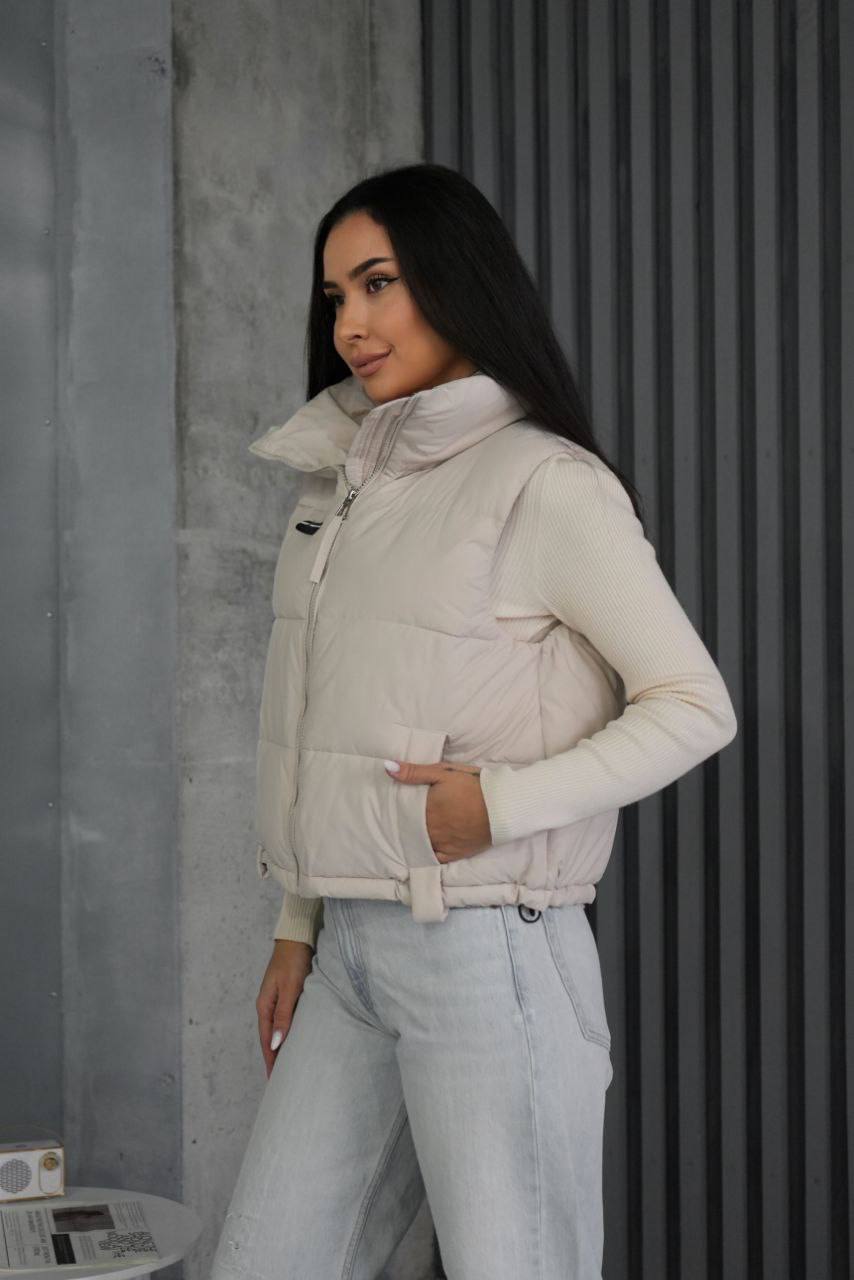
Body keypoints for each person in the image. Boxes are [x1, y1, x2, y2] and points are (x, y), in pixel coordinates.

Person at [210, 162, 737, 1280]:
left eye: (378, 284)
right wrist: (300, 920)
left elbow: (694, 705)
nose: (349, 325)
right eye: (334, 297)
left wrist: (498, 805)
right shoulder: (341, 486)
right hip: (351, 948)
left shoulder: (544, 482)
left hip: (487, 947)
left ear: (454, 279)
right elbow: (325, 719)